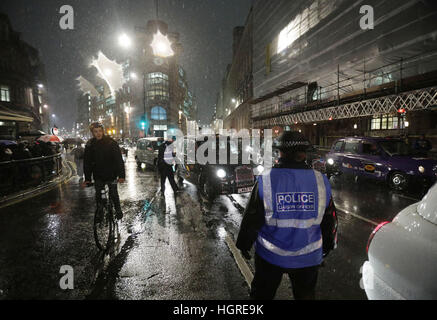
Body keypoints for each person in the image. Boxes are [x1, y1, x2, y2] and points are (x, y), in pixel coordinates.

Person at [236, 131, 338, 300]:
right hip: (308, 258)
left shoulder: (266, 179)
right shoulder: (321, 180)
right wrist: (326, 247)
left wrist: (243, 244)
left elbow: (252, 218)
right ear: (304, 153)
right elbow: (329, 219)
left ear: (280, 152)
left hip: (270, 257)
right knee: (305, 296)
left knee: (261, 296)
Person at [82, 122, 125, 220]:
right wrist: (87, 179)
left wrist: (121, 176)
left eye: (100, 131)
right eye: (95, 131)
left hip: (112, 174)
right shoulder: (90, 144)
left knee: (113, 193)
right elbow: (87, 163)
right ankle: (100, 211)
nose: (98, 133)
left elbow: (118, 160)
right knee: (99, 194)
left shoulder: (111, 142)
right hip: (98, 175)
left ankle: (118, 210)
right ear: (92, 133)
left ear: (103, 131)